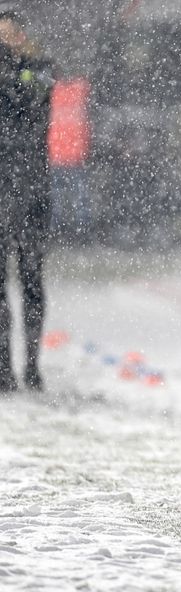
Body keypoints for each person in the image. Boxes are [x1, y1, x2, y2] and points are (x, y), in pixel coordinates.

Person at [0, 5, 53, 392]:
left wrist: (16, 69)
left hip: (32, 188)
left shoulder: (41, 66)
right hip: (4, 187)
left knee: (32, 278)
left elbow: (33, 105)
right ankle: (3, 367)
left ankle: (32, 366)